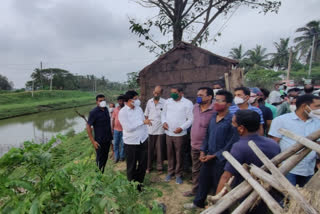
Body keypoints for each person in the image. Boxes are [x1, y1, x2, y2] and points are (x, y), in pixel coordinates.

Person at [215, 110, 280, 213]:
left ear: (241, 128)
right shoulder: (273, 144)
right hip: (266, 192)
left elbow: (226, 176)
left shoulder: (239, 147)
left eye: (234, 123)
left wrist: (216, 202)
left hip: (244, 192)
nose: (232, 126)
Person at [184, 90, 239, 209]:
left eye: (221, 101)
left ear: (228, 104)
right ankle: (197, 203)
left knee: (217, 184)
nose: (217, 103)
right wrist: (203, 151)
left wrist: (215, 155)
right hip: (207, 156)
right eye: (216, 100)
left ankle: (218, 208)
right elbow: (207, 136)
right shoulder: (214, 117)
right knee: (203, 180)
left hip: (221, 159)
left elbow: (231, 144)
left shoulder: (231, 121)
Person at [269, 94, 320, 187]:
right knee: (288, 196)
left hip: (309, 168)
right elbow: (273, 144)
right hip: (288, 168)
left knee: (306, 196)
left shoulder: (317, 122)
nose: (318, 109)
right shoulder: (281, 120)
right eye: (317, 106)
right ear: (305, 106)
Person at [183, 87, 216, 197]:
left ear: (210, 97)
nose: (198, 97)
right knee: (196, 169)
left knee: (209, 170)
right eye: (198, 95)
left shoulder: (215, 109)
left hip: (208, 146)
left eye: (201, 95)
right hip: (195, 144)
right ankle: (195, 190)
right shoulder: (195, 107)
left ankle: (210, 192)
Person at [118, 90, 152, 190]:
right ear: (129, 100)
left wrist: (146, 133)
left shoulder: (139, 109)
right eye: (136, 99)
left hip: (143, 140)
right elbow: (128, 128)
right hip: (131, 143)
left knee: (143, 164)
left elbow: (144, 124)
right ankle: (133, 186)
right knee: (131, 166)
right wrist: (142, 122)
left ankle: (140, 183)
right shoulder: (122, 112)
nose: (138, 100)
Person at [161, 86, 193, 184]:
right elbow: (163, 114)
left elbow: (191, 119)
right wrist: (164, 122)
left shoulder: (187, 103)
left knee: (179, 154)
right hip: (169, 132)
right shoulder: (168, 102)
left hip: (180, 134)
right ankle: (170, 172)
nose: (172, 94)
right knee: (170, 153)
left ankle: (179, 174)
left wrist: (182, 128)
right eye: (171, 92)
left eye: (175, 92)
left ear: (181, 93)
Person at [86, 94, 113, 173]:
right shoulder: (93, 112)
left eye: (104, 100)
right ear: (97, 102)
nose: (103, 102)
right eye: (100, 101)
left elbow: (108, 125)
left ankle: (102, 173)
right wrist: (93, 141)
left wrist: (111, 140)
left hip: (107, 139)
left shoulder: (106, 110)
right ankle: (98, 175)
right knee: (99, 159)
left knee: (105, 157)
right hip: (99, 141)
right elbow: (88, 126)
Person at [144, 86, 166, 174]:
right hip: (150, 129)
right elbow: (146, 115)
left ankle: (159, 168)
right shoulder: (149, 102)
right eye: (154, 92)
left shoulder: (165, 102)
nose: (155, 94)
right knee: (149, 149)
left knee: (160, 150)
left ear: (161, 93)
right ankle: (148, 167)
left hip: (160, 130)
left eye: (158, 93)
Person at [111, 95, 125, 163]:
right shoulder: (115, 109)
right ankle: (116, 157)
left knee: (123, 144)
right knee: (116, 144)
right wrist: (112, 128)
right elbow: (113, 119)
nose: (121, 102)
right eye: (119, 101)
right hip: (116, 130)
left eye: (122, 101)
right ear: (118, 101)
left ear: (124, 101)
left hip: (124, 130)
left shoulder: (126, 109)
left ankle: (122, 157)